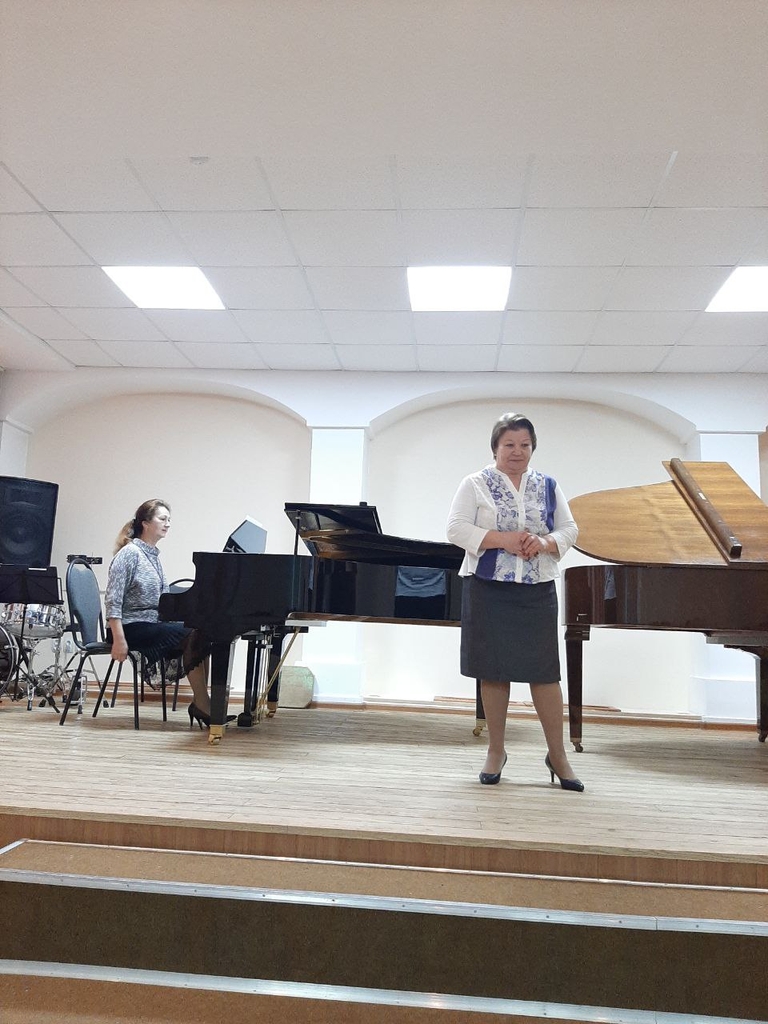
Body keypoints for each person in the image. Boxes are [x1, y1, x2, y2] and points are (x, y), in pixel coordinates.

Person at [446, 413, 584, 792]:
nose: (517, 451)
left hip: (537, 588)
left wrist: (544, 542)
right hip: (487, 586)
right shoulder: (474, 484)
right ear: (495, 448)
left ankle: (557, 755)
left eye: (524, 445)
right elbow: (455, 528)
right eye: (509, 444)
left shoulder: (548, 485)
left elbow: (569, 529)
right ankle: (495, 751)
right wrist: (502, 539)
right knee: (493, 670)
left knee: (545, 673)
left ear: (533, 448)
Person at [105, 498, 214, 729]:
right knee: (192, 634)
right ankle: (203, 704)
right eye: (162, 519)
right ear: (145, 523)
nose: (167, 524)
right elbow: (113, 600)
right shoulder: (130, 553)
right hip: (128, 627)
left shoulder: (152, 555)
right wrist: (119, 639)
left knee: (202, 632)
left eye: (169, 520)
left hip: (149, 624)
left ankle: (202, 701)